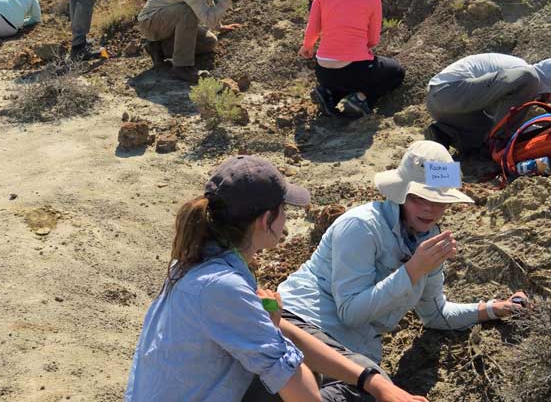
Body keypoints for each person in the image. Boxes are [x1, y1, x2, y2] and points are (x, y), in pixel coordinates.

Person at [126, 155, 429, 402]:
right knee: (355, 394)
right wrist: (374, 390)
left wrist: (373, 381)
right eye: (283, 210)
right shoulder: (222, 286)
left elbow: (284, 335)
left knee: (360, 379)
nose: (286, 219)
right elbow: (298, 385)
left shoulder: (200, 261)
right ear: (265, 220)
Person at [274, 141, 528, 386]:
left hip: (352, 348)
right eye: (420, 198)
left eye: (440, 201)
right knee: (376, 386)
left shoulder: (427, 240)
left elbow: (435, 314)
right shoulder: (362, 226)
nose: (429, 209)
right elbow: (350, 313)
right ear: (402, 193)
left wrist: (494, 309)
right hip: (301, 325)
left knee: (375, 389)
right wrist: (412, 271)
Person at [301, 0, 405, 119]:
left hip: (323, 71)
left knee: (342, 76)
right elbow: (372, 41)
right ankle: (362, 99)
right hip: (355, 71)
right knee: (396, 71)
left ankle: (328, 94)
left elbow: (313, 28)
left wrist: (307, 47)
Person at [424, 53, 551, 154]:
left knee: (483, 145)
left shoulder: (516, 84)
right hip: (447, 92)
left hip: (447, 109)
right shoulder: (524, 74)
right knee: (529, 78)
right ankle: (500, 144)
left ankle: (442, 135)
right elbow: (507, 120)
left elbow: (500, 115)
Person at [137, 0, 247, 83]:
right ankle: (182, 67)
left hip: (166, 23)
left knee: (209, 42)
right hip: (149, 23)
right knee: (187, 12)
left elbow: (209, 2)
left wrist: (220, 27)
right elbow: (208, 20)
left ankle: (158, 48)